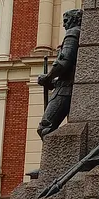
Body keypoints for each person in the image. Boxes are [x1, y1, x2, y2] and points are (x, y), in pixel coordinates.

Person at [37, 8, 83, 137]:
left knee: (45, 127)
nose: (64, 24)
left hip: (65, 89)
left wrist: (48, 77)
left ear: (75, 20)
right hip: (69, 85)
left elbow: (64, 62)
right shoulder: (80, 33)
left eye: (66, 20)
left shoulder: (72, 33)